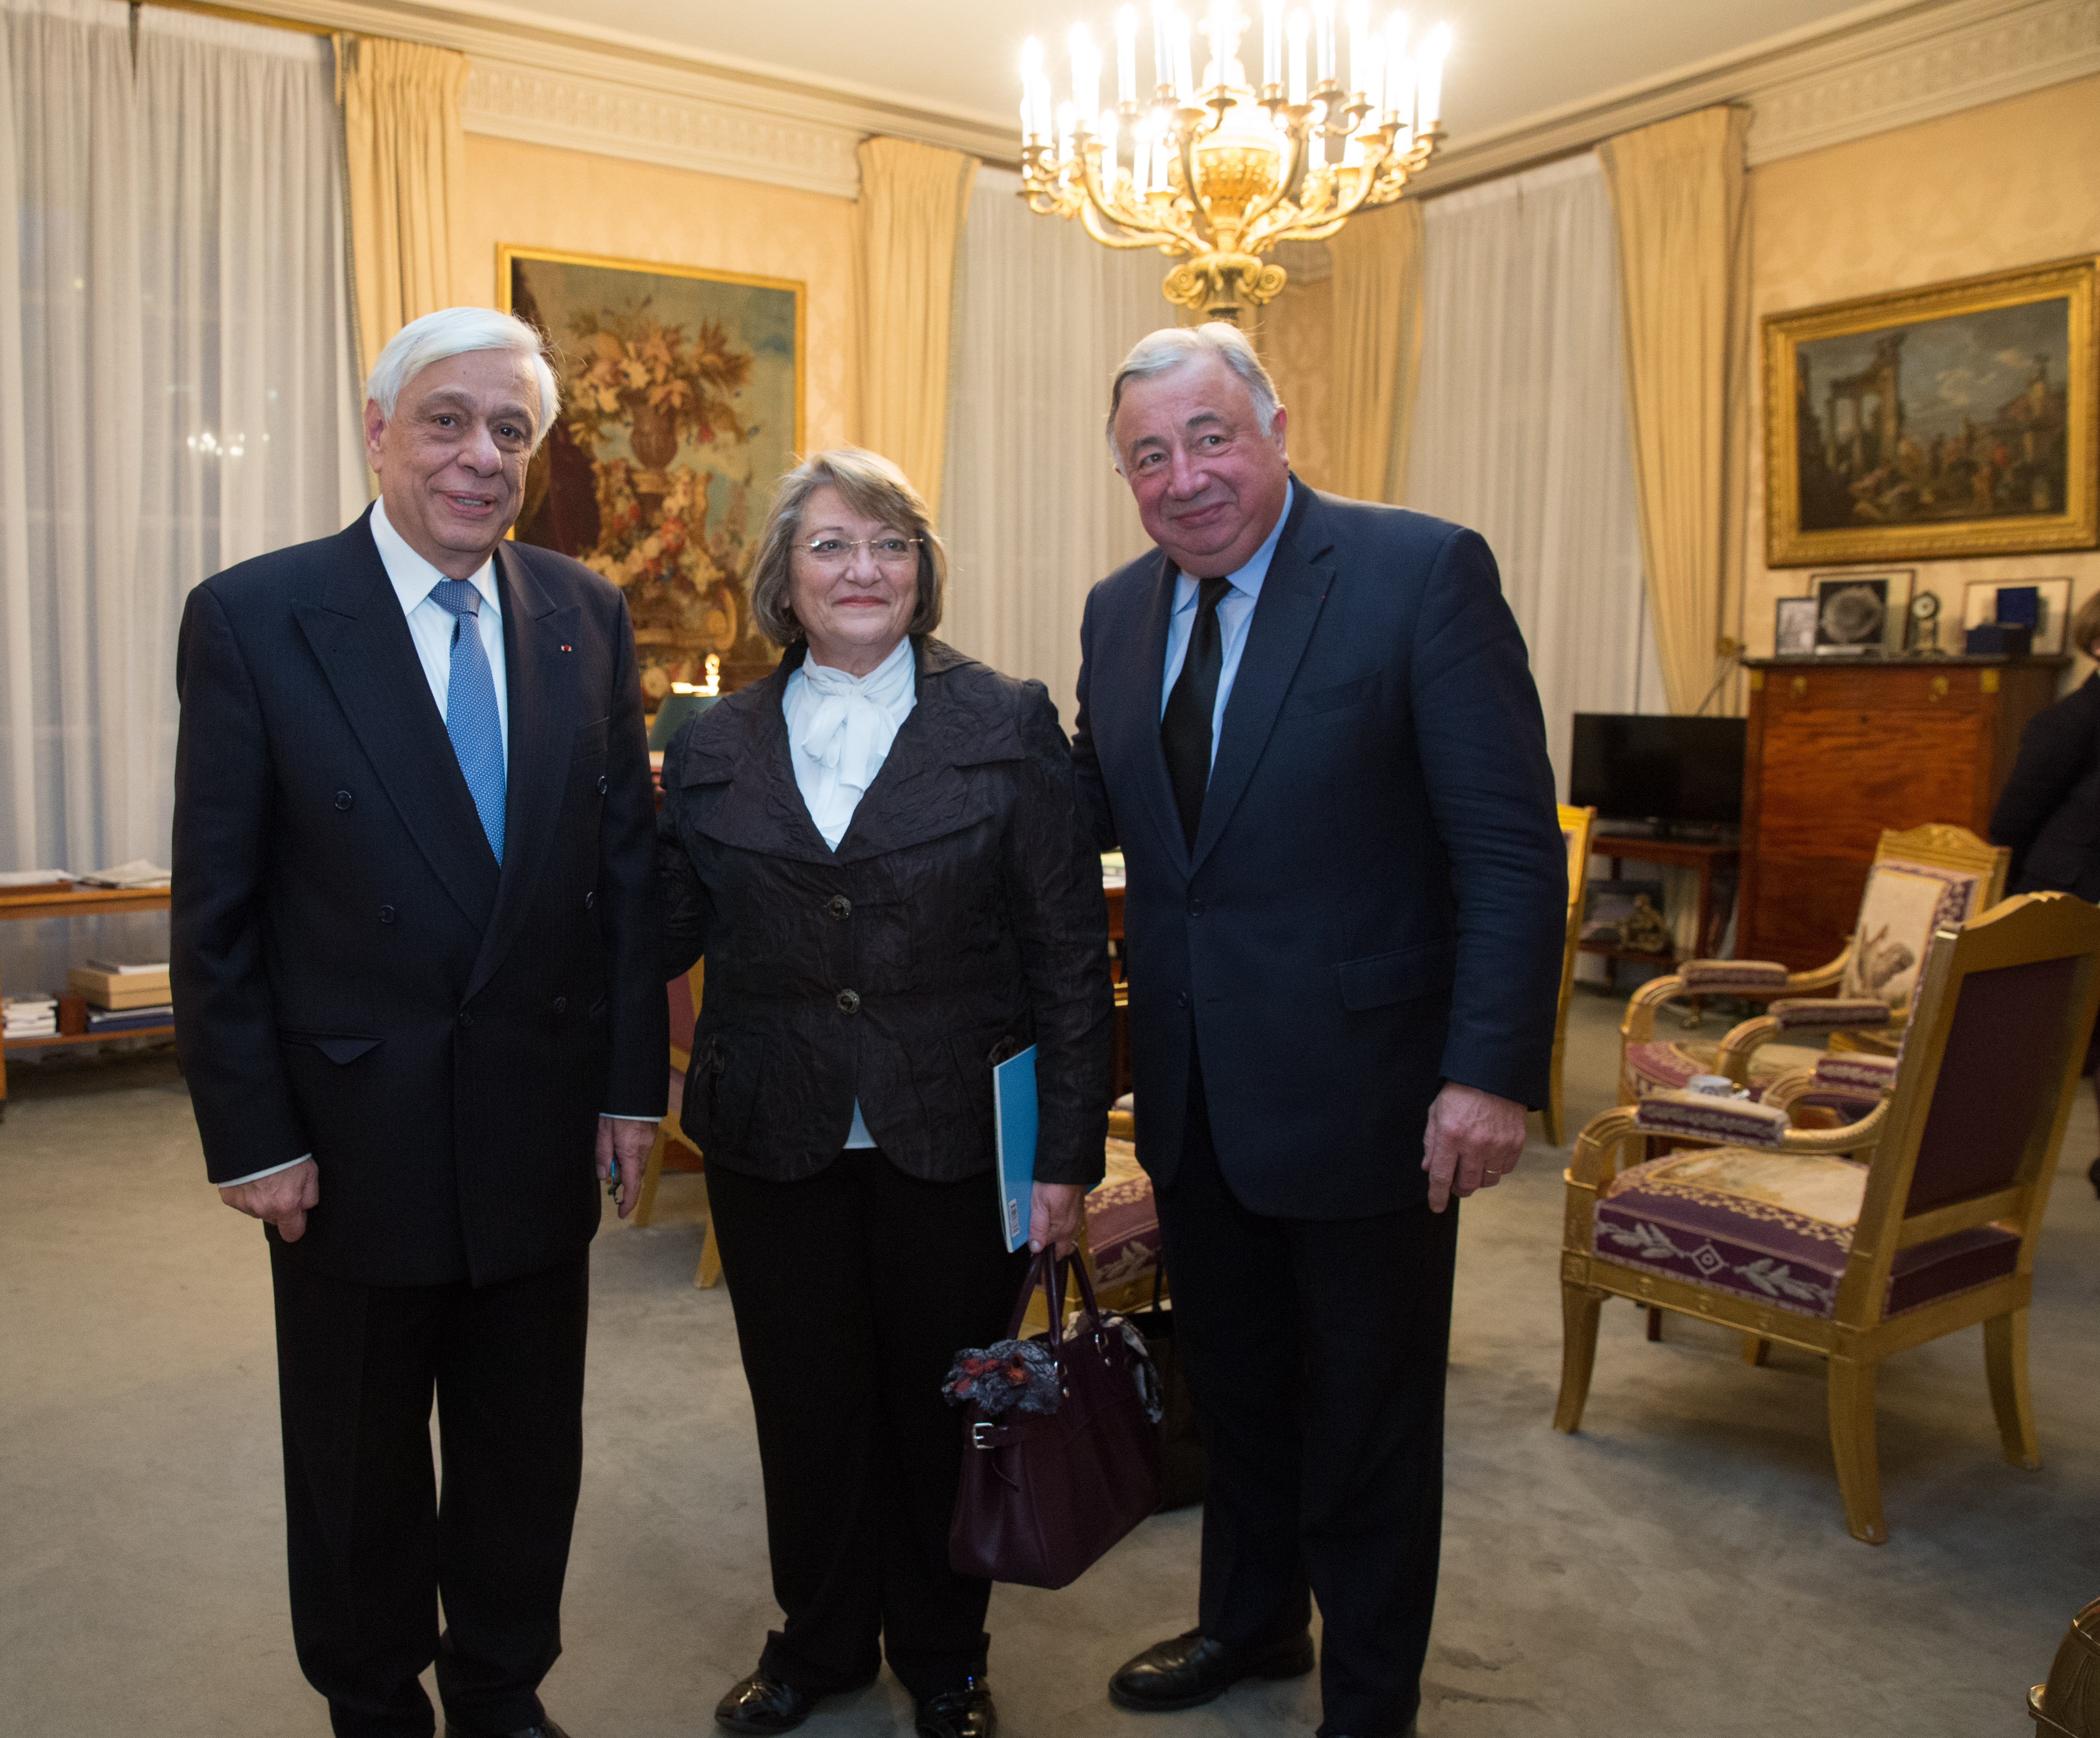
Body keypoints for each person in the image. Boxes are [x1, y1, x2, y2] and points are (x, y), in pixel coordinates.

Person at [170, 306, 668, 1738]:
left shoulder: (583, 609)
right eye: (447, 419)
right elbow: (216, 906)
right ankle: (374, 1699)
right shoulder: (258, 615)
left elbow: (621, 874)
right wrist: (251, 1132)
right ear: (377, 431)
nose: (480, 455)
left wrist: (631, 1090)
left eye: (511, 429)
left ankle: (503, 1686)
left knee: (526, 1450)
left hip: (533, 1113)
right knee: (357, 1461)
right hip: (347, 1132)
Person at [1071, 324, 1565, 1738]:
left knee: (1368, 1410)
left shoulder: (1419, 572)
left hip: (1375, 1095)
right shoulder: (1117, 610)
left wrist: (1486, 1070)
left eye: (1210, 436)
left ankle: (1368, 1696)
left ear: (1278, 425)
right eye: (1149, 455)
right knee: (1232, 1384)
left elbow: (1510, 851)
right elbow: (1111, 814)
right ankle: (1251, 1619)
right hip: (1193, 1088)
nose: (1185, 476)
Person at [657, 449, 1113, 1738]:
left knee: (944, 1407)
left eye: (892, 545)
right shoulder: (715, 739)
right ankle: (817, 1640)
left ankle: (945, 1653)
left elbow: (1066, 950)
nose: (866, 569)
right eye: (834, 546)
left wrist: (1064, 1153)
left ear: (923, 573)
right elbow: (664, 924)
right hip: (769, 1130)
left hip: (956, 1136)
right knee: (803, 1404)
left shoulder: (1006, 717)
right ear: (782, 584)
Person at [1988, 590, 2100, 1199]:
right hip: (2062, 899)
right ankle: (1990, 1174)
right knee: (2032, 1048)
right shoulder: (2068, 721)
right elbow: (2011, 820)